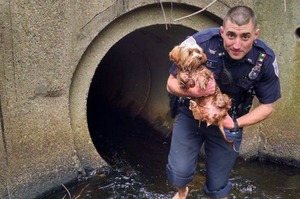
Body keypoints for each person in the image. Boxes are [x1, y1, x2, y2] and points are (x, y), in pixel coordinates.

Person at [166, 5, 281, 199]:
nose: (237, 45)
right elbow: (170, 84)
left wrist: (235, 123)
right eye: (231, 36)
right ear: (222, 32)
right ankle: (182, 190)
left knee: (217, 189)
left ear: (256, 34)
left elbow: (268, 106)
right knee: (179, 174)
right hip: (192, 114)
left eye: (245, 36)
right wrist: (194, 91)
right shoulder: (200, 43)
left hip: (229, 120)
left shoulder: (265, 59)